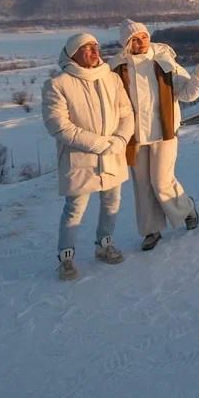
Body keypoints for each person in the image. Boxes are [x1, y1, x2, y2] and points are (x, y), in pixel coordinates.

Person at [109, 20, 199, 250]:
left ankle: (187, 209)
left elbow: (188, 94)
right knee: (142, 186)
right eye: (134, 39)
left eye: (144, 37)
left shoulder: (164, 62)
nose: (141, 42)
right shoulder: (117, 69)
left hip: (164, 132)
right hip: (134, 136)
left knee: (161, 181)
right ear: (126, 43)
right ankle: (151, 230)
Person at [42, 32, 134, 280]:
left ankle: (104, 246)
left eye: (96, 46)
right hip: (81, 159)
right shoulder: (58, 84)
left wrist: (120, 140)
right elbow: (59, 126)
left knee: (111, 203)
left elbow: (127, 114)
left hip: (113, 153)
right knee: (75, 209)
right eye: (87, 48)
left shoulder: (111, 79)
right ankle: (66, 259)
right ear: (73, 53)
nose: (95, 51)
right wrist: (100, 144)